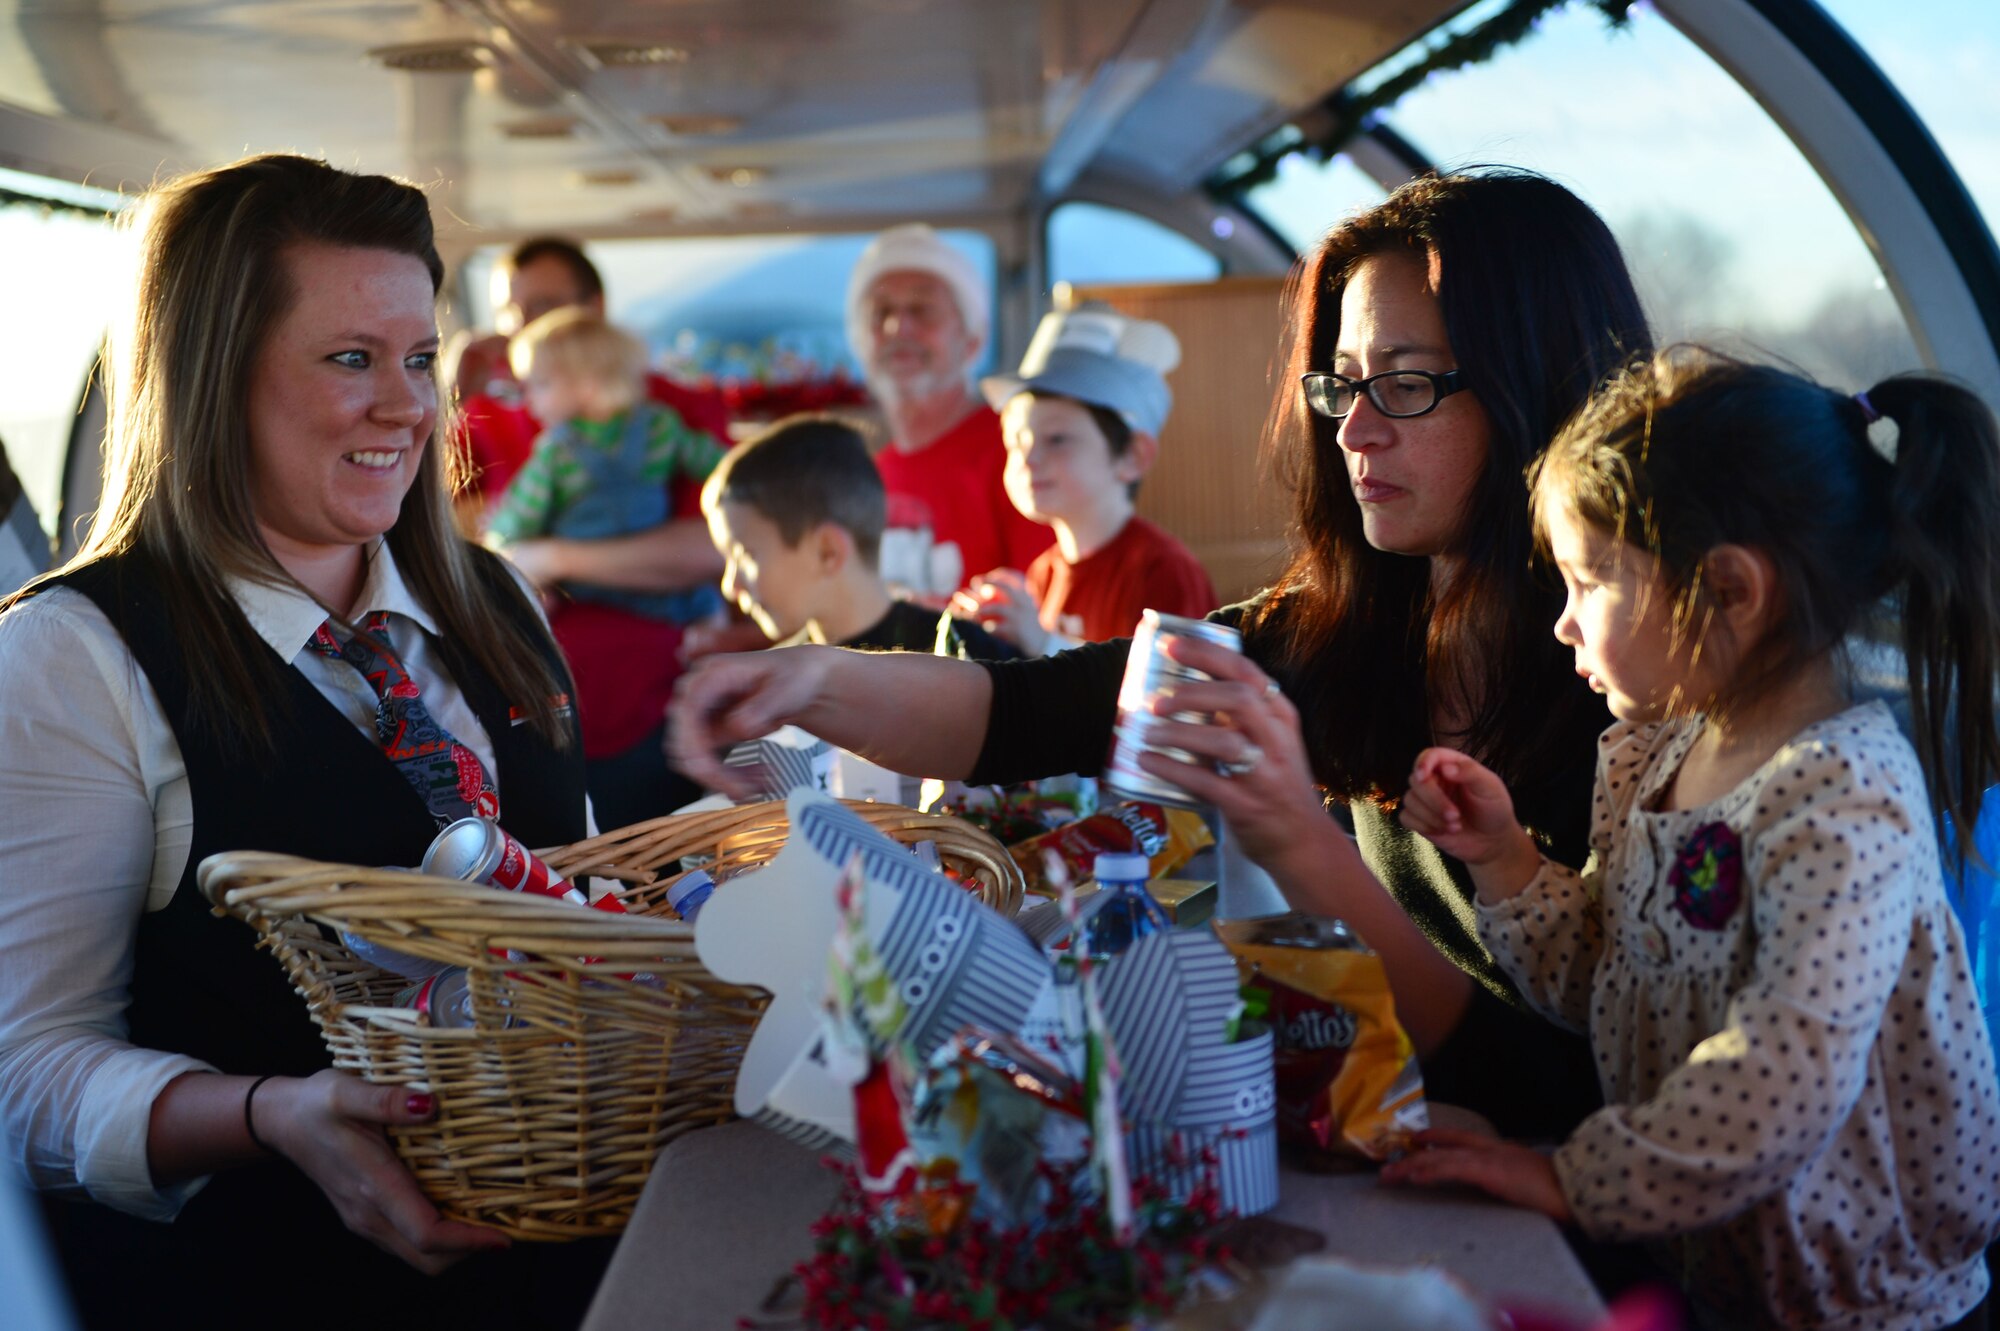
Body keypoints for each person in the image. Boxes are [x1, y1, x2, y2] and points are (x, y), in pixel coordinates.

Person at [671, 169, 1653, 1139]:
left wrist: (1295, 840)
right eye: (1343, 384)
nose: (1353, 429)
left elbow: (1557, 1084)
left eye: (1403, 383)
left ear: (1535, 385)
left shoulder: (1635, 694)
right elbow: (1017, 712)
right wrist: (812, 675)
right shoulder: (1335, 632)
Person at [0, 154, 599, 1328]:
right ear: (215, 380)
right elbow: (25, 1077)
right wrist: (274, 1111)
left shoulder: (499, 601)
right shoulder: (70, 657)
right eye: (350, 360)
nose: (409, 404)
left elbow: (581, 913)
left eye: (421, 358)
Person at [1389, 346, 2000, 1330]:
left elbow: (1781, 1072)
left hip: (1859, 1310)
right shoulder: (1658, 754)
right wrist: (1502, 858)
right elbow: (1608, 977)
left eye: (1587, 580)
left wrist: (1567, 1175)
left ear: (1725, 590)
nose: (1562, 624)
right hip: (1720, 1276)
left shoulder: (1842, 797)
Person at [460, 237, 731, 829]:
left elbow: (715, 545)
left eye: (548, 306)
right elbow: (443, 538)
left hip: (645, 701)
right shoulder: (493, 414)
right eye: (515, 312)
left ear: (596, 307)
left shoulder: (666, 409)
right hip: (525, 703)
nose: (526, 326)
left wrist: (550, 556)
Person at [953, 304, 1217, 652]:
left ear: (1133, 456)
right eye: (1015, 444)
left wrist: (1041, 641)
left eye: (1057, 439)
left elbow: (1170, 692)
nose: (1028, 459)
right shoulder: (1043, 574)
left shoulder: (1163, 570)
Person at [702, 414, 1017, 659]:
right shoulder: (770, 692)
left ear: (828, 551)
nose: (731, 586)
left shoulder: (967, 663)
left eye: (746, 556)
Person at [847, 223, 1052, 596]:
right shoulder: (867, 475)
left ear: (972, 341)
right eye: (880, 313)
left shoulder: (1021, 453)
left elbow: (1048, 619)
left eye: (922, 310)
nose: (897, 327)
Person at [488, 307, 726, 626]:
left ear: (587, 386)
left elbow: (523, 514)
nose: (528, 398)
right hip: (659, 585)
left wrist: (498, 537)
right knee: (707, 605)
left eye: (540, 385)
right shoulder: (660, 427)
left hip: (584, 589)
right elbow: (717, 467)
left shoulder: (557, 451)